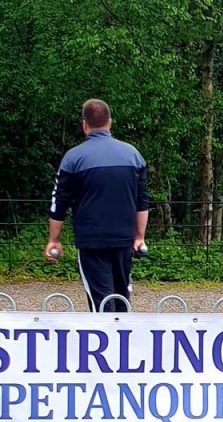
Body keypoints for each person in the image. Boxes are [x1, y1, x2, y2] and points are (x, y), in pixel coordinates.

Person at [44, 98, 149, 312]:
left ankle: (106, 341)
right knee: (122, 299)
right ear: (110, 122)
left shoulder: (73, 159)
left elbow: (59, 203)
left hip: (92, 241)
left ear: (84, 125)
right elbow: (142, 201)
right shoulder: (133, 156)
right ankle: (122, 341)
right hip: (124, 239)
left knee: (101, 301)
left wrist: (54, 240)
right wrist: (139, 237)